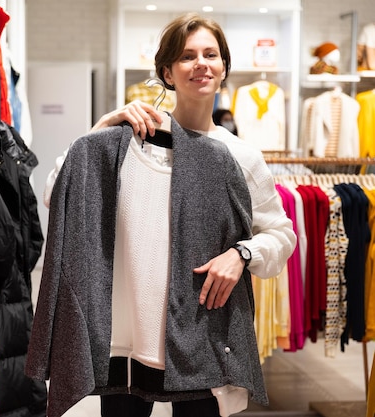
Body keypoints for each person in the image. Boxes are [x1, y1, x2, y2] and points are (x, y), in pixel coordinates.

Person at [25, 12, 297, 417]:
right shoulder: (127, 141)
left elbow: (282, 235)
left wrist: (241, 255)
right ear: (167, 72)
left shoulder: (240, 157)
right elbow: (57, 195)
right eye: (187, 56)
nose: (201, 64)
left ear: (224, 68)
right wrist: (99, 131)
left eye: (211, 54)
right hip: (125, 333)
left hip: (199, 333)